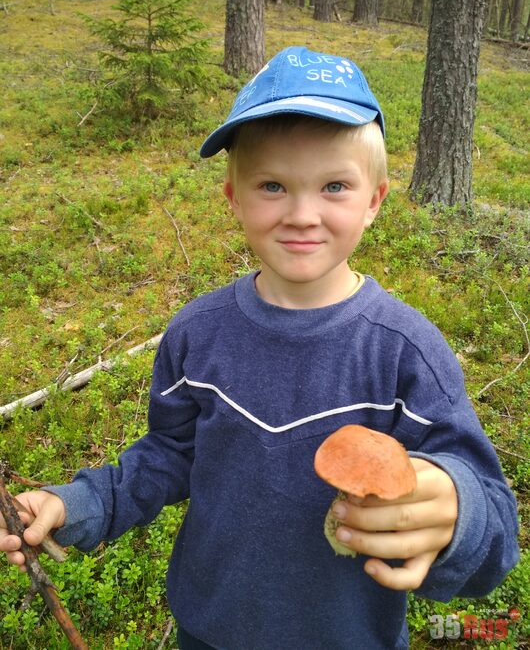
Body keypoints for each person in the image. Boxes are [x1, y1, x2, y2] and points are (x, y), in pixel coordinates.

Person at [0, 47, 519, 650]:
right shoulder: (197, 334)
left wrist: (456, 510)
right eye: (273, 185)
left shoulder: (405, 352)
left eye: (334, 186)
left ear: (374, 200)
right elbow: (169, 454)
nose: (302, 214)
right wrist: (78, 504)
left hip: (347, 636)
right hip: (211, 626)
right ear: (235, 198)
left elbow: (496, 533)